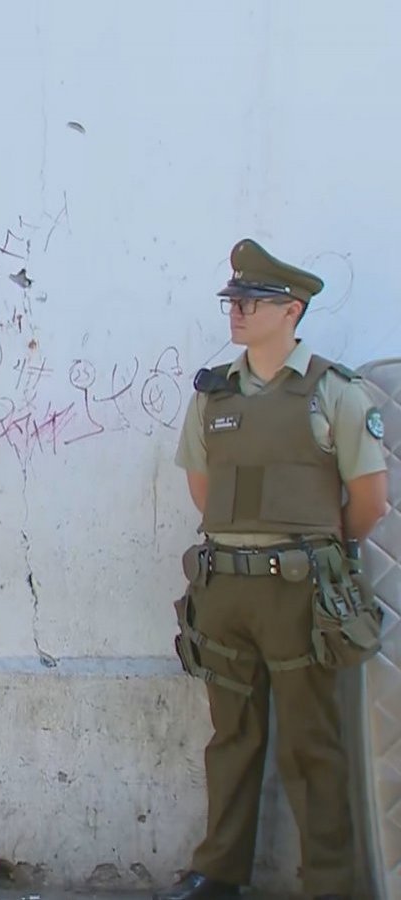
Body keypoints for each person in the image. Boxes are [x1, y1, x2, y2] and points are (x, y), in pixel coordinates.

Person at [159, 238, 388, 900]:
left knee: (312, 744)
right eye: (232, 299)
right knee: (231, 738)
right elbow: (204, 492)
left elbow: (368, 504)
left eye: (251, 301)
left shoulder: (334, 395)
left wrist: (302, 552)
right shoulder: (213, 394)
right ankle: (219, 871)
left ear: (291, 310)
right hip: (224, 587)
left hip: (299, 593)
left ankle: (330, 883)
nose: (237, 310)